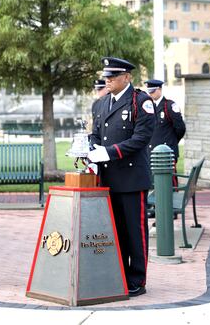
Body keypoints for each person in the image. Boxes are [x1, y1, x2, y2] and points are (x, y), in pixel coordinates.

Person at [87, 57, 154, 297]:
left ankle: (137, 279)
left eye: (113, 76)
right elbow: (95, 133)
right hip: (109, 177)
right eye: (107, 75)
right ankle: (119, 276)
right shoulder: (102, 103)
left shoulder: (141, 101)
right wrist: (92, 150)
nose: (108, 79)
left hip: (132, 177)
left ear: (127, 77)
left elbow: (140, 139)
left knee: (135, 233)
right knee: (115, 232)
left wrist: (109, 152)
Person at [144, 79, 186, 162]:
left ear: (159, 89)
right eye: (149, 91)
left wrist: (171, 141)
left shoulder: (169, 106)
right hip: (151, 153)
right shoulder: (148, 106)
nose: (150, 94)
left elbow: (180, 128)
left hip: (166, 153)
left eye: (152, 91)